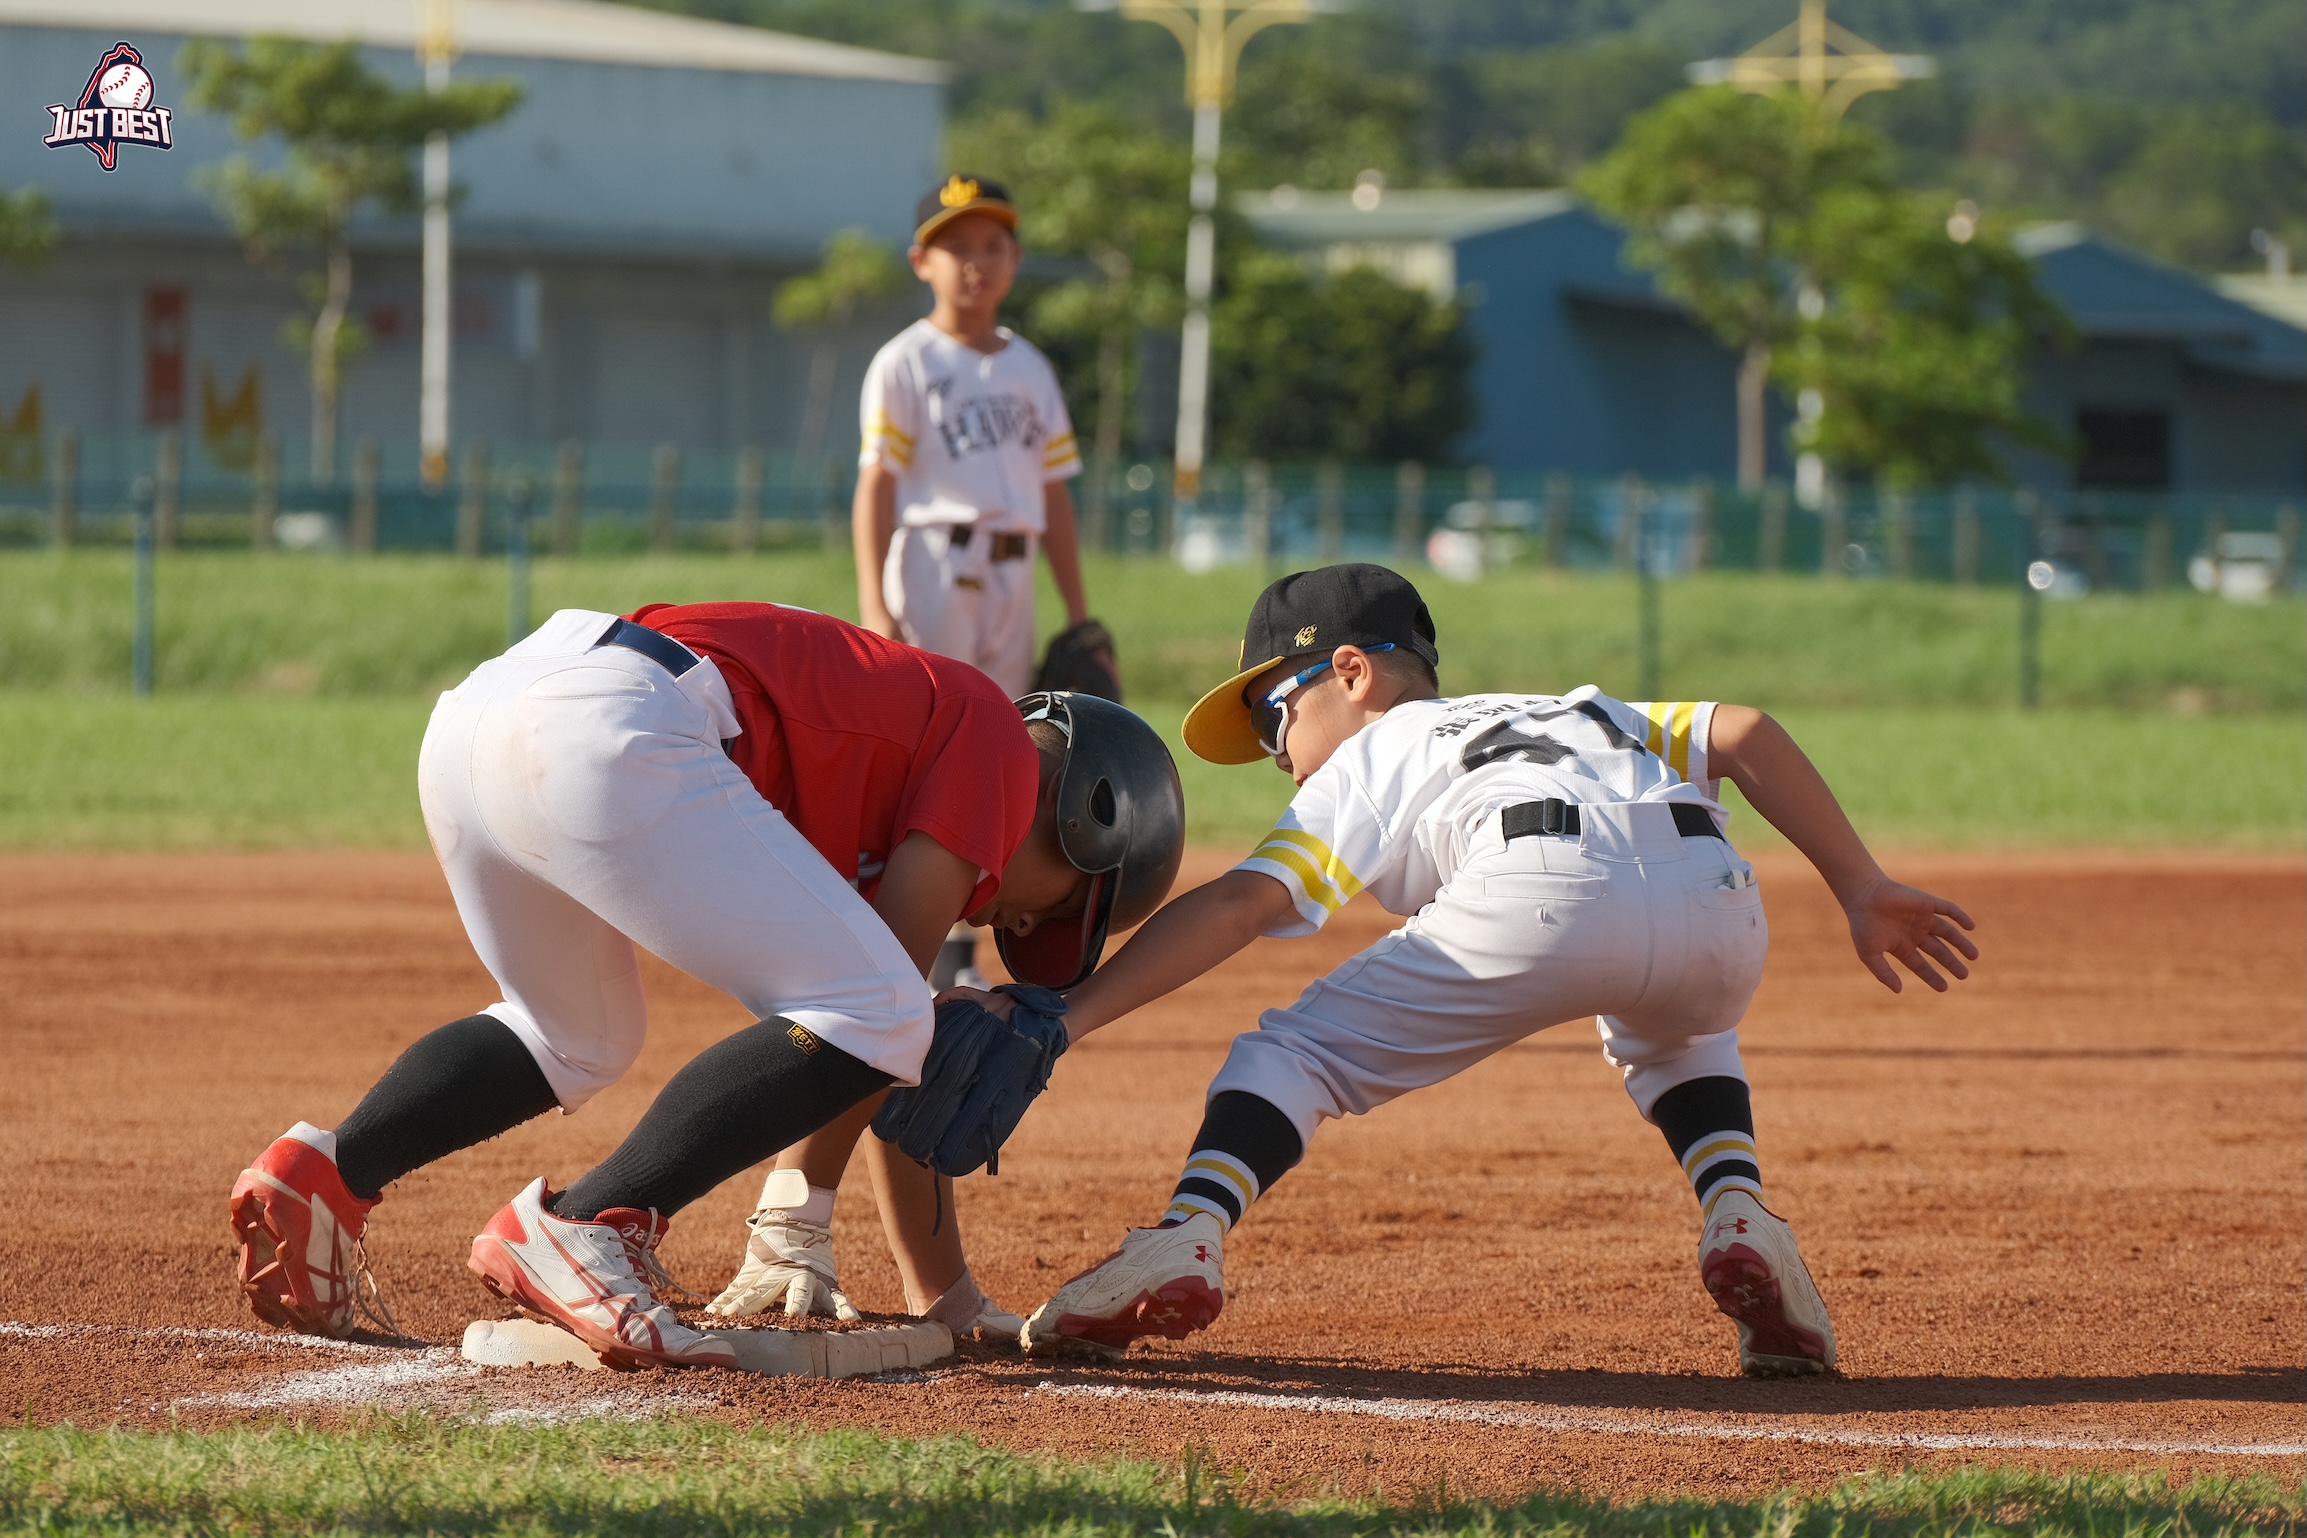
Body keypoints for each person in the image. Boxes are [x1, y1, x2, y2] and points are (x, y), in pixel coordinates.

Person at [1014, 564, 1980, 1377]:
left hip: (1540, 889)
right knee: (1682, 1026)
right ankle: (1739, 1213)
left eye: (1274, 715)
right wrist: (1858, 884)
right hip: (1717, 902)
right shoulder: (1578, 706)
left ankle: (1187, 1231)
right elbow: (1741, 731)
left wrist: (1070, 1013)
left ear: (1348, 672)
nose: (1274, 754)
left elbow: (1241, 905)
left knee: (1290, 1056)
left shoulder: (1377, 747)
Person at [227, 603, 1178, 1367]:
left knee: (574, 1033)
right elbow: (890, 1014)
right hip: (615, 722)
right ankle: (586, 1226)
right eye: (1058, 908)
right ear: (1080, 814)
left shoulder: (901, 775)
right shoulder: (1002, 749)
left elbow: (869, 1035)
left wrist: (947, 1299)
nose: (1013, 928)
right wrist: (799, 1212)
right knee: (883, 1008)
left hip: (490, 712)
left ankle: (329, 1174)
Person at [852, 173, 1090, 994]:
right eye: (956, 247)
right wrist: (875, 604)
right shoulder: (905, 362)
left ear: (1016, 259)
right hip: (932, 565)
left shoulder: (1029, 366)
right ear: (921, 261)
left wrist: (1080, 610)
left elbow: (1053, 495)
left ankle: (960, 940)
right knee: (931, 751)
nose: (975, 264)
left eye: (991, 246)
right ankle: (906, 939)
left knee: (1001, 752)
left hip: (1014, 572)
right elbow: (876, 485)